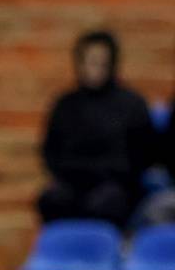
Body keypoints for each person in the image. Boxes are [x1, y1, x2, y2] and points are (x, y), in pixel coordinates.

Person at [37, 30, 156, 229]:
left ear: (112, 63)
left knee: (107, 202)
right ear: (79, 62)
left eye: (102, 61)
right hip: (72, 184)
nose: (96, 68)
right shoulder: (65, 105)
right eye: (90, 61)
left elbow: (144, 154)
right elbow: (50, 153)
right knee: (52, 199)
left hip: (117, 186)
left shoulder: (131, 105)